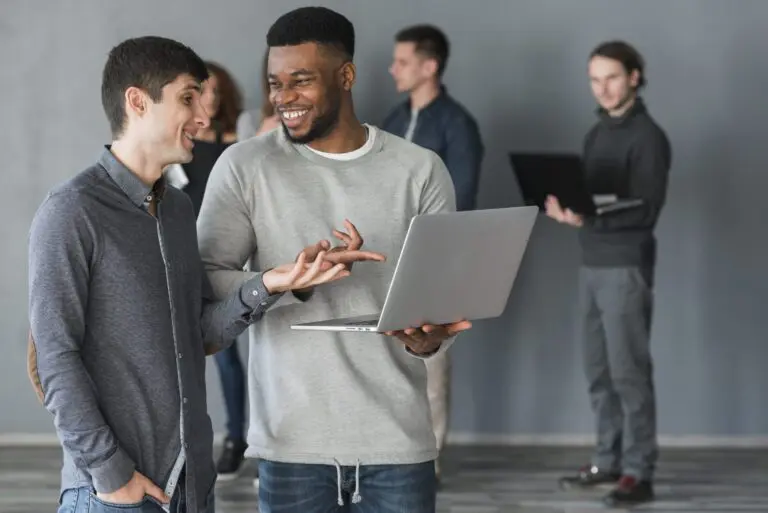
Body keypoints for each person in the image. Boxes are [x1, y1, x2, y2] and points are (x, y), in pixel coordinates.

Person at [28, 35, 356, 513]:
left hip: (191, 486)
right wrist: (111, 475)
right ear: (137, 102)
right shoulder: (71, 211)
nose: (204, 116)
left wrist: (271, 284)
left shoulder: (178, 210)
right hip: (115, 494)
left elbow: (198, 332)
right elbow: (53, 359)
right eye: (187, 98)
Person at [197, 7, 472, 512]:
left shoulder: (420, 170)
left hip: (398, 444)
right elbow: (208, 285)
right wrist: (288, 281)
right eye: (275, 83)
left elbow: (438, 304)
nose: (283, 98)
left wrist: (429, 340)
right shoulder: (244, 166)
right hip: (291, 447)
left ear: (345, 76)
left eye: (300, 81)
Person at [549, 40, 671, 507]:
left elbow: (646, 212)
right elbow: (593, 197)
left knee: (629, 373)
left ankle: (640, 472)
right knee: (598, 371)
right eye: (595, 79)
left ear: (635, 77)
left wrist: (587, 219)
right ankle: (609, 459)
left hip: (625, 266)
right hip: (592, 265)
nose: (603, 88)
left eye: (612, 77)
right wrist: (570, 210)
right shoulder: (596, 133)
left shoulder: (649, 137)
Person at [382, 24, 484, 480]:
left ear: (430, 66)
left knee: (433, 363)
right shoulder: (393, 118)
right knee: (389, 359)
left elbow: (460, 201)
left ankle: (428, 460)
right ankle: (391, 453)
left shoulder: (458, 125)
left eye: (402, 61)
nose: (392, 69)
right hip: (388, 260)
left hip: (438, 263)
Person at [236, 50, 281, 141]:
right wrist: (260, 137)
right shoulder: (249, 119)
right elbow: (242, 154)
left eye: (300, 81)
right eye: (276, 83)